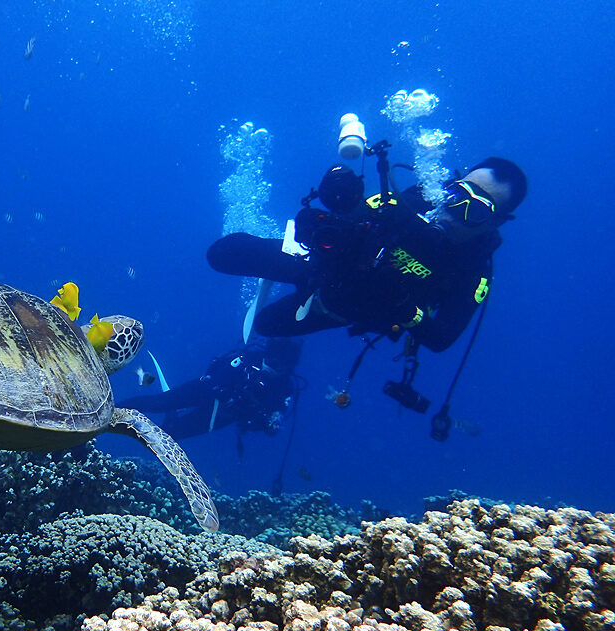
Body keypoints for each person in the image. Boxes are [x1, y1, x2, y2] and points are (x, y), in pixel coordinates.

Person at [207, 158, 528, 353]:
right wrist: (340, 204)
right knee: (222, 254)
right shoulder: (419, 199)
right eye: (458, 194)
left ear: (496, 222)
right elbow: (360, 212)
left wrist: (401, 305)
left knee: (266, 325)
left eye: (477, 210)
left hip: (341, 309)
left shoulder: (475, 272)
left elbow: (441, 338)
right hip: (320, 265)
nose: (456, 210)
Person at [122, 337, 302, 458]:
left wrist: (261, 419)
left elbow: (269, 425)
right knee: (156, 403)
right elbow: (218, 379)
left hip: (221, 416)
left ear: (289, 368)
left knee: (168, 436)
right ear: (265, 356)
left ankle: (130, 444)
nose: (272, 369)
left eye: (280, 367)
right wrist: (228, 393)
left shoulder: (285, 389)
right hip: (204, 390)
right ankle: (111, 409)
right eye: (270, 362)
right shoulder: (251, 359)